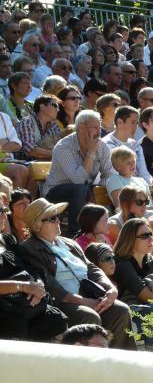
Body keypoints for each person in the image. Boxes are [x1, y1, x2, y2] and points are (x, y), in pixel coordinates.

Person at [20, 198, 136, 349]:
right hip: (62, 302)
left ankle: (119, 361)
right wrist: (81, 301)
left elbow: (91, 268)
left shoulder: (69, 243)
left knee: (120, 310)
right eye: (52, 218)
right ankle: (89, 366)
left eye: (58, 217)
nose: (58, 221)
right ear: (37, 226)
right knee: (89, 315)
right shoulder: (29, 248)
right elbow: (47, 282)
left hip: (88, 295)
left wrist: (111, 289)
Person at [0, 199, 68, 343]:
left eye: (4, 211)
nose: (4, 216)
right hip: (7, 311)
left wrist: (37, 286)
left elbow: (33, 268)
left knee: (55, 318)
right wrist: (23, 287)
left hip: (28, 303)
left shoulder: (9, 241)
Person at [43, 110, 113, 236]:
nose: (99, 132)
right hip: (55, 193)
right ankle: (75, 233)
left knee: (107, 186)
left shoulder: (102, 146)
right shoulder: (63, 147)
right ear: (81, 128)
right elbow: (79, 179)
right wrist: (91, 152)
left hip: (85, 190)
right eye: (95, 128)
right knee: (81, 189)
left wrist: (95, 191)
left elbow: (109, 174)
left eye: (100, 127)